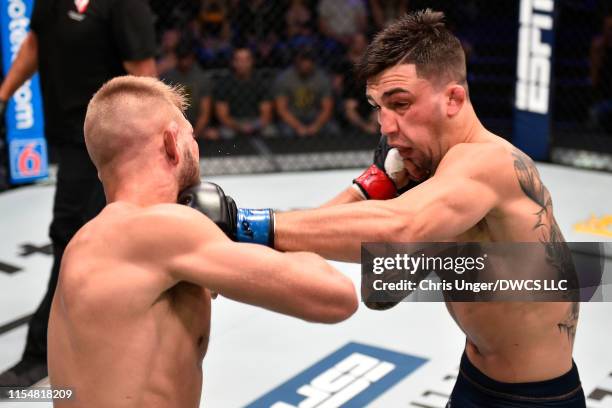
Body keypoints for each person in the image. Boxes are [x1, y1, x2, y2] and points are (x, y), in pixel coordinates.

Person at [191, 10, 586, 407]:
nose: (386, 126)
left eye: (400, 103)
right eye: (377, 106)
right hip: (474, 382)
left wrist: (242, 224)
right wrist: (372, 187)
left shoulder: (489, 163)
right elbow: (382, 289)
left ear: (453, 98)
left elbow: (399, 230)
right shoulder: (436, 177)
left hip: (538, 399)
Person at [47, 76, 357, 408]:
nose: (197, 148)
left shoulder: (100, 241)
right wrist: (243, 224)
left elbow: (289, 247)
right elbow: (335, 296)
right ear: (170, 142)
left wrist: (360, 192)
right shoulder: (161, 230)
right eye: (191, 136)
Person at [0, 0, 156, 390]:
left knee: (73, 239)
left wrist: (156, 148)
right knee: (87, 237)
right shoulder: (51, 4)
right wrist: (3, 96)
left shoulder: (122, 6)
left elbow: (145, 77)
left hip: (113, 146)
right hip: (73, 138)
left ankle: (43, 352)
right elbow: (34, 45)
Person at [274, 48, 338, 137]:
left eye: (308, 62)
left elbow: (327, 109)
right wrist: (298, 127)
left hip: (315, 116)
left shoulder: (322, 79)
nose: (305, 65)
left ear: (313, 63)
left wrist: (315, 126)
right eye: (302, 62)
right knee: (287, 132)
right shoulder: (284, 79)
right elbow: (282, 110)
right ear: (296, 62)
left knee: (333, 129)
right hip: (293, 116)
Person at [214, 47, 276, 138]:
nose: (242, 63)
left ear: (252, 61)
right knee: (226, 133)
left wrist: (253, 126)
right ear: (233, 62)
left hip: (255, 121)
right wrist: (239, 127)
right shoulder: (224, 84)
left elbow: (266, 114)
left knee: (270, 131)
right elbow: (222, 116)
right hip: (233, 122)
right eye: (239, 60)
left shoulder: (261, 82)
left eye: (246, 60)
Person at [162, 40, 213, 140]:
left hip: (197, 125)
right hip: (174, 124)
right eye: (182, 58)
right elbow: (164, 109)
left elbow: (205, 113)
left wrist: (194, 135)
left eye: (187, 58)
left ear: (192, 58)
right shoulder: (168, 78)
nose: (184, 62)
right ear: (177, 58)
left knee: (212, 134)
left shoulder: (201, 78)